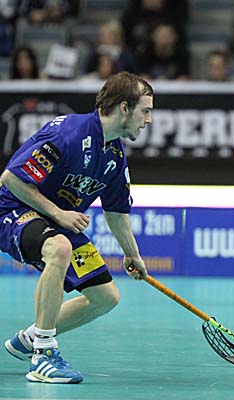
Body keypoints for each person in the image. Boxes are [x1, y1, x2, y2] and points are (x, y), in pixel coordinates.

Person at [1, 72, 153, 383]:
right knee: (59, 247)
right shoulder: (68, 133)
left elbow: (116, 211)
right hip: (15, 210)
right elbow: (11, 179)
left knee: (106, 296)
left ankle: (30, 338)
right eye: (145, 110)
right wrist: (59, 214)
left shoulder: (114, 156)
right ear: (124, 107)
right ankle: (43, 355)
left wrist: (132, 254)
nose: (148, 120)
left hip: (57, 221)